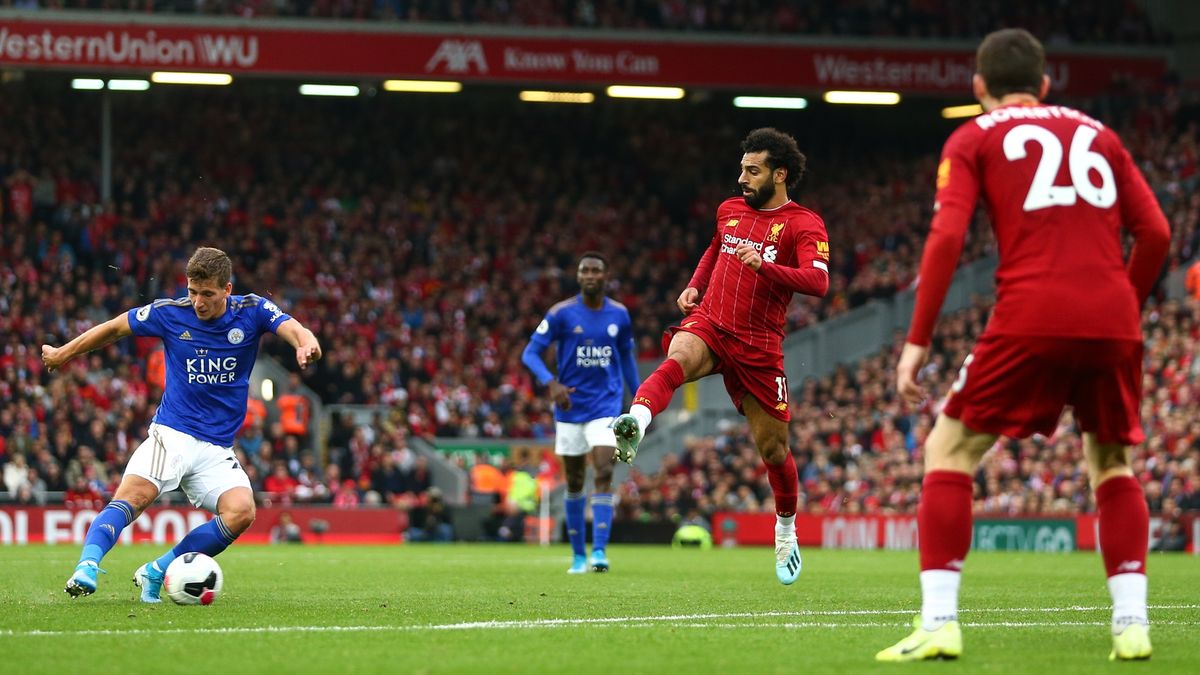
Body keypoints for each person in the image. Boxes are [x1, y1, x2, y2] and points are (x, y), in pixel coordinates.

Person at [875, 29, 1170, 663]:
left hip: (1032, 310)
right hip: (1116, 318)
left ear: (978, 87)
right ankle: (1131, 624)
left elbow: (947, 238)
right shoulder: (1101, 135)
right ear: (1044, 84)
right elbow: (1157, 233)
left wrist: (918, 342)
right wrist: (1125, 305)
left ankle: (939, 622)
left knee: (947, 450)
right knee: (1112, 464)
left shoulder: (973, 136)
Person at [611, 128, 831, 585]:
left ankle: (786, 529)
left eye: (753, 170)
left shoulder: (803, 224)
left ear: (780, 174)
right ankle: (636, 420)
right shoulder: (729, 211)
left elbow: (818, 281)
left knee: (774, 450)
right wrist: (695, 283)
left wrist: (764, 265)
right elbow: (715, 248)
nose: (742, 178)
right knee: (677, 356)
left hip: (759, 345)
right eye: (742, 168)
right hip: (712, 322)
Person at [44, 246, 322, 602]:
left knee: (241, 512)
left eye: (207, 294)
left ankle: (157, 570)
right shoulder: (169, 314)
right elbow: (115, 328)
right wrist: (62, 354)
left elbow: (293, 327)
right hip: (172, 435)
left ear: (227, 290)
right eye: (192, 292)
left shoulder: (252, 310)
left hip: (216, 447)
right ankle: (87, 566)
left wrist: (306, 344)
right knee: (134, 498)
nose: (198, 302)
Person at [522, 251, 639, 573]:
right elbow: (530, 353)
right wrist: (551, 383)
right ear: (578, 276)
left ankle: (599, 552)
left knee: (603, 470)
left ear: (605, 276)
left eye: (595, 271)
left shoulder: (620, 315)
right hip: (570, 407)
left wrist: (641, 398)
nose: (590, 275)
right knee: (574, 481)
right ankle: (577, 556)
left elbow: (627, 358)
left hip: (606, 404)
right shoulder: (561, 314)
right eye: (584, 270)